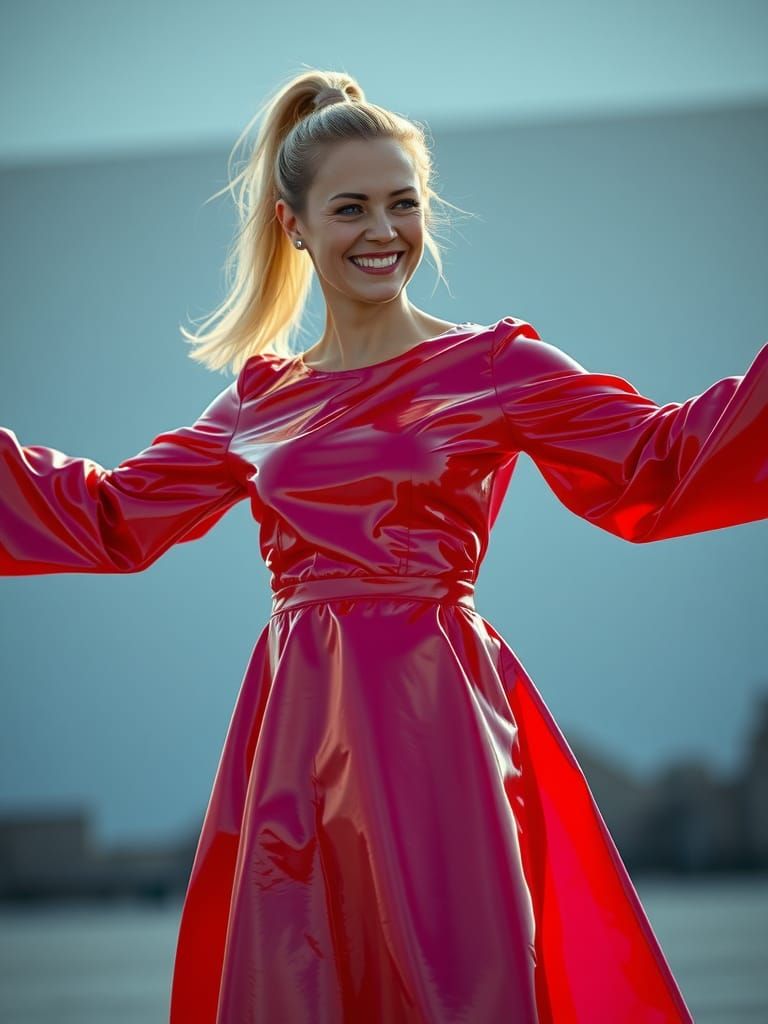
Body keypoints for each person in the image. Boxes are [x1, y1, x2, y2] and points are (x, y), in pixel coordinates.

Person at [1, 67, 766, 1024]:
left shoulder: (494, 366)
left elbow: (658, 461)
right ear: (296, 226)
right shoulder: (258, 402)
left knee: (464, 982)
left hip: (434, 724)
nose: (382, 231)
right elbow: (110, 518)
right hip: (295, 745)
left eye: (403, 204)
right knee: (304, 983)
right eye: (351, 207)